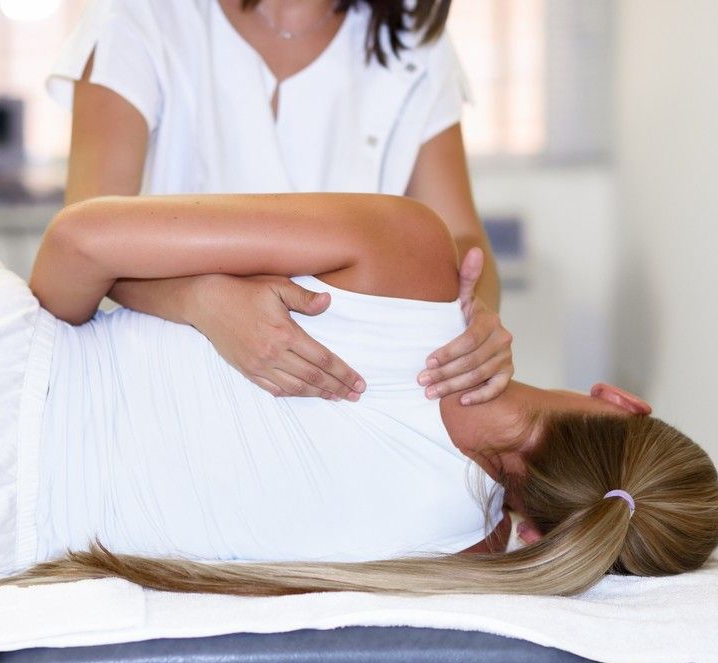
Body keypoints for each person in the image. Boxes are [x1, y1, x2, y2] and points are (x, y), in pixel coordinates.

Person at [0, 196, 718, 597]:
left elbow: (75, 252)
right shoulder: (457, 563)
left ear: (623, 401)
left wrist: (197, 300)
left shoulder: (404, 259)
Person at [49, 0, 515, 406]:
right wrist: (200, 301)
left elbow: (461, 235)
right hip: (170, 376)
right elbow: (89, 241)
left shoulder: (414, 40)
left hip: (348, 391)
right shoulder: (139, 14)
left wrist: (480, 320)